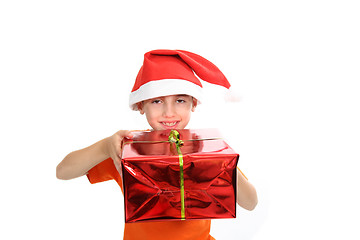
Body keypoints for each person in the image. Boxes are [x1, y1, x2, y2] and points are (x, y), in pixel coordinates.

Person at [56, 49, 258, 240]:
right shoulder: (129, 150)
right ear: (140, 106)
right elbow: (63, 171)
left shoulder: (205, 148)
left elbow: (250, 203)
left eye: (180, 100)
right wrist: (105, 146)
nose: (169, 113)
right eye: (156, 101)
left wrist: (222, 163)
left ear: (193, 104)